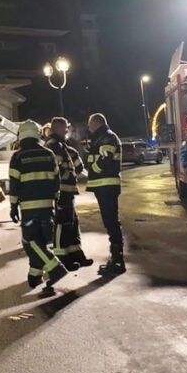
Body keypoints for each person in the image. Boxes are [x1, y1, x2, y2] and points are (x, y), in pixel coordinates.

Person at [9, 120, 68, 291]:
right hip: (47, 206)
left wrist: (13, 207)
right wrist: (56, 201)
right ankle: (35, 275)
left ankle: (55, 268)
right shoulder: (49, 154)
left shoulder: (18, 157)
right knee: (40, 241)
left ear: (21, 136)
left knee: (30, 241)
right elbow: (56, 180)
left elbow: (14, 184)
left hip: (29, 206)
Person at [45, 116, 93, 270]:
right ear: (59, 128)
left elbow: (75, 168)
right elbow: (54, 170)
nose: (67, 130)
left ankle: (76, 254)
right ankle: (62, 259)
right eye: (65, 127)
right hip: (60, 193)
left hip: (68, 192)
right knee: (61, 224)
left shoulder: (62, 145)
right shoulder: (53, 145)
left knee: (71, 223)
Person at [86, 113, 125, 275]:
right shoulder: (103, 137)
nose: (89, 129)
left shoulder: (106, 137)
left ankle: (117, 261)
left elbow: (105, 158)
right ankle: (116, 258)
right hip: (105, 185)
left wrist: (93, 169)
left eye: (90, 125)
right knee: (110, 223)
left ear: (96, 123)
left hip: (106, 185)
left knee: (111, 223)